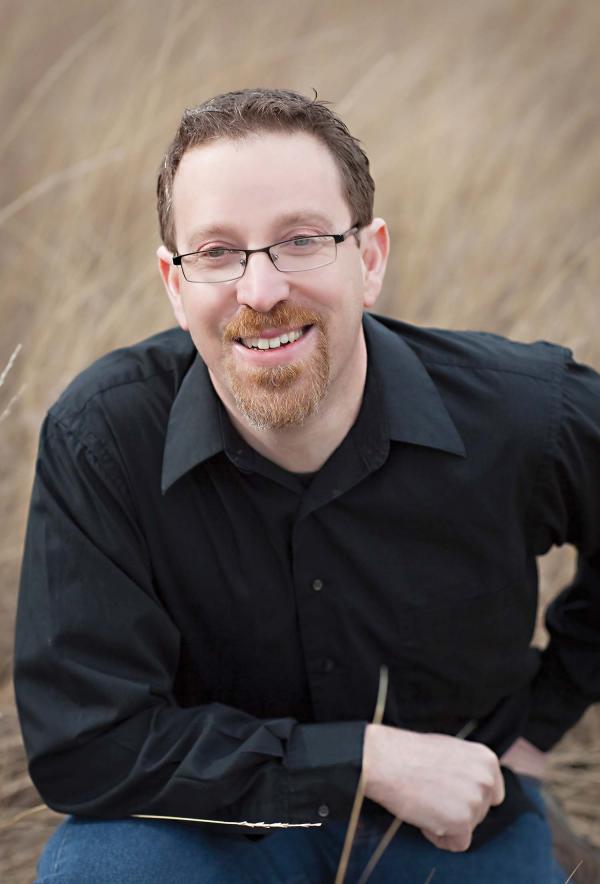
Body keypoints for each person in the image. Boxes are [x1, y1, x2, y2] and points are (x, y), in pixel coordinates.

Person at [14, 88, 600, 884]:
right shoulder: (104, 439)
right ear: (173, 284)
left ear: (369, 258)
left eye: (300, 241)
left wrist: (536, 727)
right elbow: (87, 746)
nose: (259, 292)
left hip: (455, 832)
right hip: (217, 830)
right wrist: (365, 759)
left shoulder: (525, 413)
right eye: (217, 252)